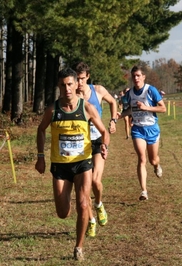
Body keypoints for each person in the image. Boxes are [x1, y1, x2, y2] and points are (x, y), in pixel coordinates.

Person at [35, 67, 110, 261]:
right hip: (60, 165)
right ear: (58, 87)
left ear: (77, 84)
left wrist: (104, 146)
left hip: (82, 163)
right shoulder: (53, 110)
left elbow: (104, 131)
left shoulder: (86, 108)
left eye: (70, 84)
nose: (67, 88)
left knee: (84, 203)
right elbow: (41, 130)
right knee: (62, 212)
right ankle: (76, 218)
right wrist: (41, 156)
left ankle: (79, 247)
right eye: (63, 85)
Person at [72, 62, 118, 238]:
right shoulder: (72, 96)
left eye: (82, 78)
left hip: (98, 140)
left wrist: (113, 121)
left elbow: (113, 102)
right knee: (84, 187)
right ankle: (91, 220)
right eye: (76, 79)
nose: (79, 82)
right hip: (81, 144)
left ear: (87, 77)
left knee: (96, 182)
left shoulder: (98, 90)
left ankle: (99, 205)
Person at [118, 65, 166, 201]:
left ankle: (157, 166)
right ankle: (144, 191)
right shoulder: (130, 94)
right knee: (141, 159)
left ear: (143, 77)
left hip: (151, 128)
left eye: (138, 76)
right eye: (134, 76)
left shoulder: (151, 90)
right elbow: (129, 110)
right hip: (138, 129)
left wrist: (146, 107)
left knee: (152, 160)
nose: (136, 78)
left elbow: (163, 109)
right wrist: (120, 115)